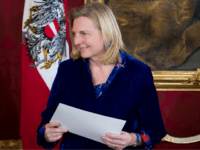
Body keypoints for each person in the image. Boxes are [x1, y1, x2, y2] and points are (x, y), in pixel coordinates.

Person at [37, 1, 167, 150]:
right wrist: (47, 134)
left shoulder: (138, 72)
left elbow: (154, 130)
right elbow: (46, 124)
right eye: (74, 34)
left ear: (106, 34)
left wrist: (132, 139)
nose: (77, 41)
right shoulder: (67, 70)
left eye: (84, 34)